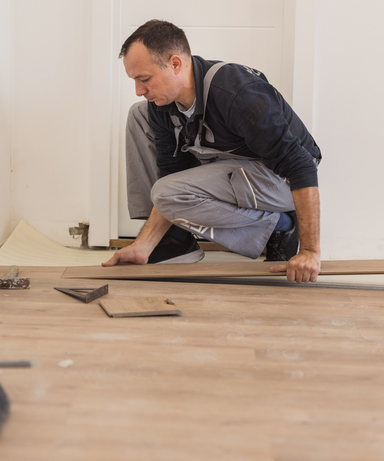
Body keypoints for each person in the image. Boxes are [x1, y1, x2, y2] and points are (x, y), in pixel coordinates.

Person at [102, 19, 322, 283]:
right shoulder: (161, 104)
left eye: (145, 79)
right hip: (229, 164)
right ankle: (177, 239)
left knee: (167, 192)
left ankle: (280, 227)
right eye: (135, 81)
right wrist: (143, 245)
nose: (139, 90)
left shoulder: (237, 93)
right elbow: (173, 172)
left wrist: (310, 251)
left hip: (279, 178)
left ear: (175, 64)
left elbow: (300, 166)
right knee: (139, 116)